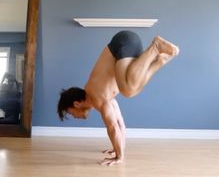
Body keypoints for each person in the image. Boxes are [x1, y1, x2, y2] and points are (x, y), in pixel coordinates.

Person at [57, 30, 179, 166]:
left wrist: (119, 157)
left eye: (70, 112)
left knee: (127, 91)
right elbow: (121, 125)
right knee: (130, 89)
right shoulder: (104, 96)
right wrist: (118, 149)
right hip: (128, 43)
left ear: (76, 104)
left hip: (121, 43)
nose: (74, 116)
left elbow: (113, 127)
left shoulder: (98, 97)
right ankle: (158, 61)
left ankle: (155, 47)